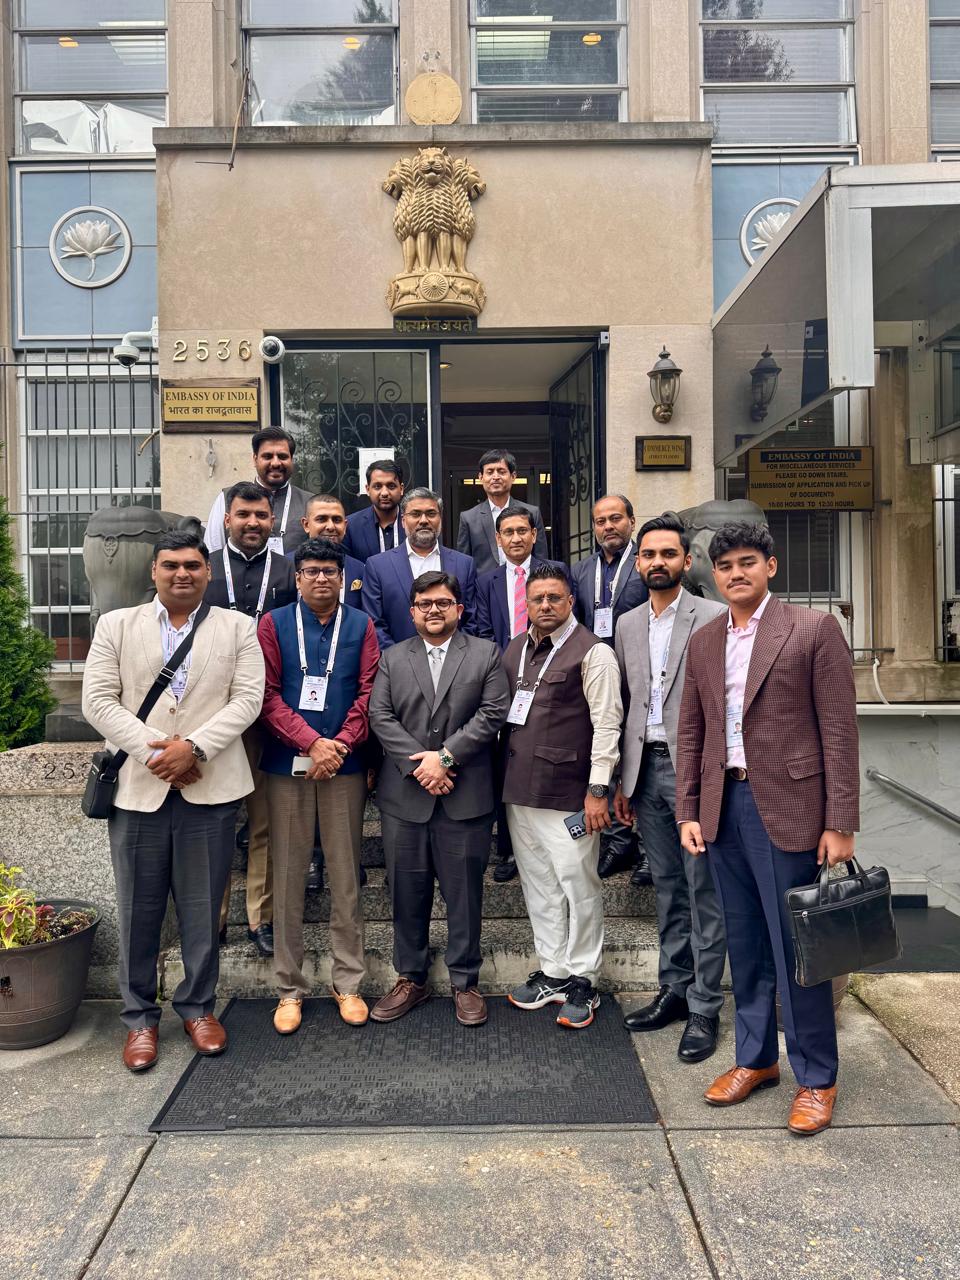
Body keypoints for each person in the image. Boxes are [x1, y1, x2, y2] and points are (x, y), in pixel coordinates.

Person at [675, 521, 860, 1137]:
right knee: (745, 944)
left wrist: (840, 821)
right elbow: (692, 732)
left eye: (747, 562)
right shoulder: (705, 640)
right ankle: (756, 1059)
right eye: (725, 565)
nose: (736, 574)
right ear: (713, 575)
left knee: (796, 948)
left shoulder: (812, 629)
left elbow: (840, 731)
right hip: (722, 806)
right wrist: (688, 810)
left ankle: (817, 1076)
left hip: (789, 807)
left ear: (771, 567)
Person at [81, 532, 265, 1071]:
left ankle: (199, 1008)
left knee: (203, 908)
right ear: (153, 571)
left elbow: (248, 700)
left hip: (211, 787)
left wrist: (194, 749)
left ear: (208, 571)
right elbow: (98, 700)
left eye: (192, 565)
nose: (181, 573)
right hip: (139, 792)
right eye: (170, 565)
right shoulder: (117, 625)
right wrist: (156, 752)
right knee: (138, 910)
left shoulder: (237, 627)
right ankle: (140, 1018)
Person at [369, 571, 510, 1026]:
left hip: (464, 797)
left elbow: (493, 712)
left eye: (443, 602)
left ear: (459, 609)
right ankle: (411, 977)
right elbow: (380, 715)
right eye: (425, 603)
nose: (434, 610)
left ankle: (465, 981)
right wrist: (421, 767)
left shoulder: (486, 653)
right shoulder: (392, 658)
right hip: (405, 798)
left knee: (464, 895)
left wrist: (445, 758)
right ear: (412, 612)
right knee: (406, 893)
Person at [613, 513, 727, 1063]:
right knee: (667, 888)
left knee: (704, 891)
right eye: (649, 554)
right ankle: (674, 990)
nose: (657, 562)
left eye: (667, 553)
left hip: (695, 772)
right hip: (644, 772)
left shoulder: (714, 617)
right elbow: (626, 704)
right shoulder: (627, 623)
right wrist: (621, 780)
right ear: (637, 562)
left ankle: (705, 1006)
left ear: (685, 560)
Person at [257, 538, 380, 1033]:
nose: (321, 579)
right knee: (288, 875)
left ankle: (348, 982)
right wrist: (311, 742)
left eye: (330, 571)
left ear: (342, 577)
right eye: (311, 571)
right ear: (297, 577)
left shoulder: (361, 624)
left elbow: (369, 692)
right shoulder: (274, 624)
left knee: (345, 875)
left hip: (343, 766)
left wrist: (339, 746)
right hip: (287, 762)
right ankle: (289, 988)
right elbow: (266, 695)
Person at [501, 565, 623, 1030]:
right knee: (539, 886)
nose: (546, 605)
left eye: (555, 597)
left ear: (571, 601)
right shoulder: (516, 648)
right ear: (527, 604)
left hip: (570, 796)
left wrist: (598, 789)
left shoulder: (594, 652)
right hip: (520, 792)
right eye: (538, 599)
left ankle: (584, 977)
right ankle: (553, 970)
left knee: (579, 886)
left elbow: (607, 724)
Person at [205, 481, 297, 958]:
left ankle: (260, 919)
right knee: (217, 821)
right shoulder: (202, 570)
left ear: (272, 521)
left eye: (261, 515)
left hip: (267, 716)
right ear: (227, 520)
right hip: (210, 717)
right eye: (243, 515)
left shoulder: (287, 571)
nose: (253, 523)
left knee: (264, 823)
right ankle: (213, 919)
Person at [475, 505, 568, 884]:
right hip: (502, 678)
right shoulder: (486, 580)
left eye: (522, 531)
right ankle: (509, 849)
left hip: (551, 677)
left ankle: (547, 840)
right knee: (505, 760)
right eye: (508, 532)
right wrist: (504, 671)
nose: (515, 538)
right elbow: (482, 629)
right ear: (498, 539)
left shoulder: (555, 573)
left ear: (534, 534)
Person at [571, 494, 650, 882]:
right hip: (599, 676)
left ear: (631, 522)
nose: (608, 527)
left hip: (641, 674)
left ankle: (648, 847)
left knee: (644, 758)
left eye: (615, 518)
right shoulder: (582, 570)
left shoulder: (645, 563)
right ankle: (619, 842)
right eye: (600, 521)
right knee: (608, 754)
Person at [362, 487, 477, 648]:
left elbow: (471, 619)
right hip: (397, 661)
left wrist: (454, 656)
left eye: (431, 513)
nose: (423, 520)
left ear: (440, 519)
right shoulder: (377, 566)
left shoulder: (464, 564)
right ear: (403, 521)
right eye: (415, 514)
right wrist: (397, 658)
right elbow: (374, 623)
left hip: (456, 660)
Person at [204, 427, 312, 555]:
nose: (276, 463)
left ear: (291, 460)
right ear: (255, 459)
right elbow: (212, 552)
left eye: (282, 456)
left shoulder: (310, 503)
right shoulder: (227, 498)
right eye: (267, 456)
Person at [457, 449, 548, 575]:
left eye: (501, 471)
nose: (495, 477)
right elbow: (463, 564)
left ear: (513, 476)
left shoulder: (532, 513)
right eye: (490, 472)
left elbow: (541, 558)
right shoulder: (468, 518)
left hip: (525, 582)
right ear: (481, 477)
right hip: (484, 586)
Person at [297, 493, 365, 608]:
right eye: (321, 519)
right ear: (306, 525)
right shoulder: (287, 567)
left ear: (345, 526)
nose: (330, 526)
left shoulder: (360, 570)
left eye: (337, 520)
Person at [342, 458, 405, 563]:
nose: (384, 493)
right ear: (367, 489)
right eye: (377, 486)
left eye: (391, 486)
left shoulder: (414, 522)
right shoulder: (351, 526)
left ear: (401, 489)